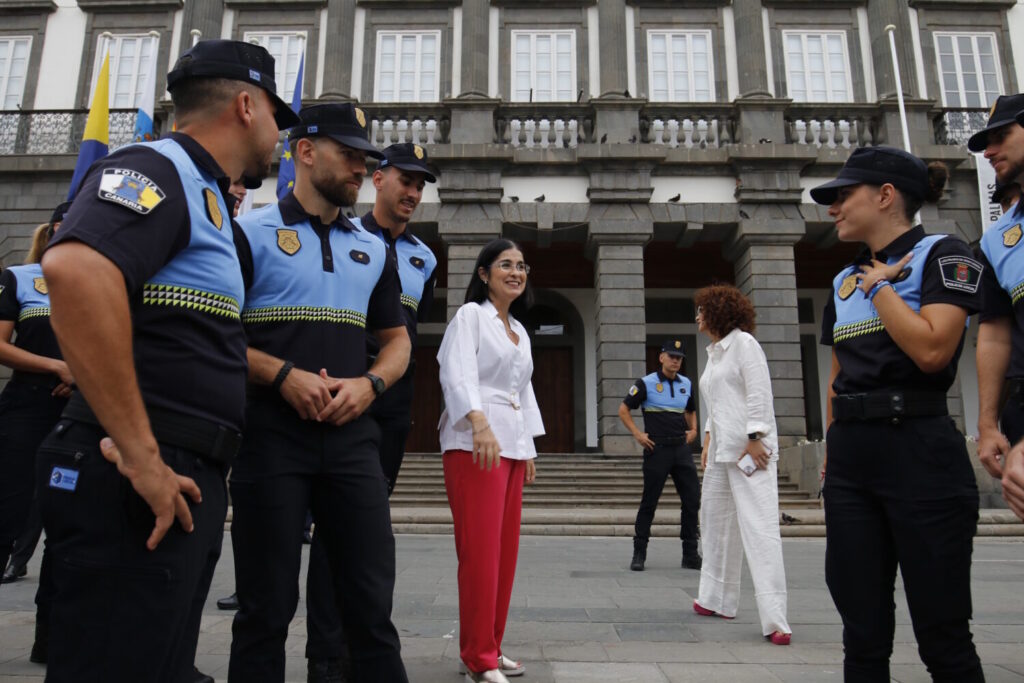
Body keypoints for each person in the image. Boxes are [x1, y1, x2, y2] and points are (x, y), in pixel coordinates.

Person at [36, 38, 295, 682]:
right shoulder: (157, 168)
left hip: (177, 472)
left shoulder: (206, 193)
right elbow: (74, 269)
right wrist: (142, 452)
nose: (280, 139)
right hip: (136, 475)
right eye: (276, 118)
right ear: (244, 105)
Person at [227, 102, 411, 683]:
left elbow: (398, 342)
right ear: (305, 152)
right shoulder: (248, 231)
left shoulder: (374, 247)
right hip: (269, 439)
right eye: (349, 156)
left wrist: (370, 383)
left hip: (353, 440)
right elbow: (216, 335)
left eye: (365, 159)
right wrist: (282, 374)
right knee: (265, 609)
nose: (361, 170)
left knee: (370, 608)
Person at [813, 146, 984, 681]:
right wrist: (831, 449)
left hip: (919, 449)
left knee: (943, 635)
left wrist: (883, 287)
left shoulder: (944, 252)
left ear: (886, 196)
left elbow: (934, 351)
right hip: (853, 460)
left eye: (844, 195)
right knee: (861, 635)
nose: (833, 208)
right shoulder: (844, 279)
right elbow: (840, 374)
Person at [304, 141, 438, 680]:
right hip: (338, 397)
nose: (412, 192)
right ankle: (326, 655)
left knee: (366, 536)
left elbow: (404, 338)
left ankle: (360, 648)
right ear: (377, 179)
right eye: (404, 179)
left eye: (421, 184)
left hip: (389, 409)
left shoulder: (425, 258)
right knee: (332, 533)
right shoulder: (342, 234)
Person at [437, 238, 543, 683]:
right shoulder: (470, 317)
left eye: (521, 265)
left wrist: (530, 447)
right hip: (473, 443)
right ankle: (476, 656)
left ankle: (491, 647)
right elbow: (455, 370)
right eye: (505, 265)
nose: (515, 272)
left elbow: (523, 391)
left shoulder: (517, 330)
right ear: (484, 274)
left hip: (512, 446)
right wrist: (478, 423)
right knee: (479, 554)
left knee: (504, 554)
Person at [692, 285, 791, 646]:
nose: (698, 317)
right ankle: (715, 598)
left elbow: (758, 391)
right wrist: (707, 437)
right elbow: (718, 401)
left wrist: (756, 435)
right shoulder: (715, 353)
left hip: (751, 451)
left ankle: (777, 621)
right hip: (721, 451)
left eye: (702, 310)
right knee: (715, 523)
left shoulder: (744, 345)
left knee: (760, 531)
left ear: (718, 312)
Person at [0, 202, 73, 586]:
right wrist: (55, 367)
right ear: (56, 228)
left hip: (78, 405)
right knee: (14, 488)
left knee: (60, 495)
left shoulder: (101, 281)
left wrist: (78, 375)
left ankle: (27, 558)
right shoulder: (20, 277)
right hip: (27, 402)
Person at [971, 94, 1024, 519]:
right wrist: (988, 424)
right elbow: (994, 332)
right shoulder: (997, 238)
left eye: (1001, 136)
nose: (989, 151)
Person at [619, 339, 700, 571]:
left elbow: (691, 409)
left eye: (679, 357)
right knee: (649, 502)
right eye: (671, 356)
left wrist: (693, 429)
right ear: (661, 357)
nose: (675, 360)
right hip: (657, 450)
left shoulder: (686, 383)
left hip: (681, 450)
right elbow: (623, 410)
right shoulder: (646, 383)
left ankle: (690, 553)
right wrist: (638, 435)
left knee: (692, 499)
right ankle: (639, 553)